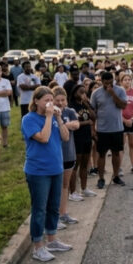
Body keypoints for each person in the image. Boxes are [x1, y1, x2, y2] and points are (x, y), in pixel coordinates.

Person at [21, 87, 72, 262]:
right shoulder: (29, 119)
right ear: (36, 101)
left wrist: (58, 117)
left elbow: (65, 137)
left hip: (55, 168)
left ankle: (52, 239)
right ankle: (38, 246)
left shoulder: (54, 118)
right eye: (46, 100)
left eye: (52, 99)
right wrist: (50, 117)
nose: (51, 103)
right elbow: (43, 138)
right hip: (38, 171)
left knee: (53, 206)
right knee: (39, 209)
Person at [90, 72, 127, 188]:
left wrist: (113, 94)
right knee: (101, 154)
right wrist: (93, 129)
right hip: (102, 129)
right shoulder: (96, 93)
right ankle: (101, 179)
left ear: (113, 80)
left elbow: (123, 105)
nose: (108, 85)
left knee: (116, 153)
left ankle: (116, 176)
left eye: (110, 82)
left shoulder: (120, 90)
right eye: (106, 83)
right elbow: (92, 113)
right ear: (101, 81)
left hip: (117, 128)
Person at [52, 87, 80, 225]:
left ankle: (63, 213)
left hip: (69, 154)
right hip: (55, 156)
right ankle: (54, 215)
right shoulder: (49, 114)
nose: (60, 103)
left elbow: (76, 125)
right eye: (57, 100)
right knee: (54, 187)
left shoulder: (70, 111)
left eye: (63, 100)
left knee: (65, 185)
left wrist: (63, 124)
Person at [68, 84, 97, 198]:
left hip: (86, 137)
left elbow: (94, 117)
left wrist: (87, 104)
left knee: (85, 164)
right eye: (80, 92)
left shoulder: (85, 105)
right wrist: (86, 123)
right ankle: (72, 192)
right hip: (76, 138)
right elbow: (72, 124)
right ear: (74, 93)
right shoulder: (71, 107)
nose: (83, 94)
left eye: (84, 92)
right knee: (76, 165)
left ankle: (84, 189)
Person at [119, 73, 133, 174]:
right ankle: (119, 168)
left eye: (129, 79)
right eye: (125, 80)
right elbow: (117, 109)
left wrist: (132, 119)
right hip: (121, 122)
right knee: (121, 146)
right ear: (121, 81)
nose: (127, 81)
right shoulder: (119, 93)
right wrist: (124, 120)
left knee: (132, 145)